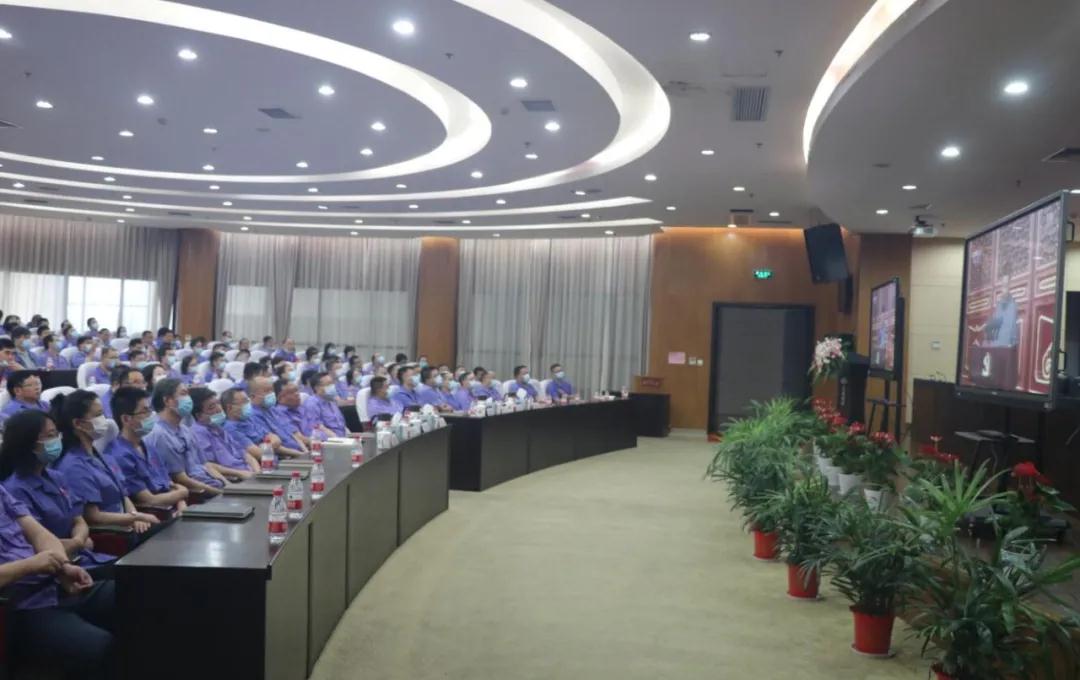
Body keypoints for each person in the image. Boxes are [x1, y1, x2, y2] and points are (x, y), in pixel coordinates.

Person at [0, 481, 115, 678]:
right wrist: (30, 565)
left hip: (54, 586)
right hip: (20, 607)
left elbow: (40, 534)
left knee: (135, 595)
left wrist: (62, 565)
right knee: (102, 648)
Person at [0, 410, 112, 567]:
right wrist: (76, 544)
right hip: (56, 566)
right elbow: (35, 541)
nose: (57, 439)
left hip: (84, 556)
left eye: (56, 433)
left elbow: (78, 520)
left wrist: (78, 541)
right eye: (50, 435)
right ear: (28, 443)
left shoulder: (56, 477)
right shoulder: (15, 490)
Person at [50, 391, 160, 535]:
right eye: (98, 415)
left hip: (129, 526)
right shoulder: (74, 466)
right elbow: (93, 516)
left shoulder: (101, 456)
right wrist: (135, 518)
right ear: (78, 423)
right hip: (112, 534)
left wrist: (134, 516)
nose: (104, 420)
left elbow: (123, 495)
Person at [104, 387, 188, 513]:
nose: (151, 415)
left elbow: (170, 484)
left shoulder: (148, 446)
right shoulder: (119, 455)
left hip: (175, 509)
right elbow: (150, 500)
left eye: (150, 409)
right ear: (126, 419)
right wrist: (183, 492)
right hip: (155, 515)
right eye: (145, 411)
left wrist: (181, 503)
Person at [143, 379, 224, 496]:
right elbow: (180, 479)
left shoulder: (185, 430)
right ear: (167, 401)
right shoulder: (159, 434)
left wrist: (228, 487)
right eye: (183, 394)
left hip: (211, 484)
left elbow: (206, 465)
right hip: (197, 494)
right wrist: (220, 493)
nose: (188, 399)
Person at [189, 388, 259, 479]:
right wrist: (241, 473)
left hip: (249, 474)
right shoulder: (199, 434)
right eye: (211, 407)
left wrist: (257, 473)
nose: (219, 409)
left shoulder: (218, 428)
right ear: (199, 416)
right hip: (235, 479)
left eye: (218, 403)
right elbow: (210, 467)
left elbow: (245, 454)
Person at [246, 377, 305, 456]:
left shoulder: (273, 410)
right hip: (286, 457)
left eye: (272, 390)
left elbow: (293, 434)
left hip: (299, 452)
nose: (271, 393)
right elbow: (273, 445)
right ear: (252, 396)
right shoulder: (252, 416)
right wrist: (300, 454)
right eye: (267, 391)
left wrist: (305, 451)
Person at [301, 372, 348, 437]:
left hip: (343, 438)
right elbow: (317, 428)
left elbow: (341, 425)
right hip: (329, 441)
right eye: (328, 384)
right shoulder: (312, 404)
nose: (332, 386)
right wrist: (338, 439)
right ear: (317, 387)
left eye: (332, 383)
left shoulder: (331, 401)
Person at [272, 380, 314, 447]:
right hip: (304, 447)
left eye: (297, 390)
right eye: (291, 392)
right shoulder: (278, 413)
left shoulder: (302, 408)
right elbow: (299, 437)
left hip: (315, 443)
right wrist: (317, 442)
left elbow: (317, 428)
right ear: (280, 398)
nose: (297, 394)